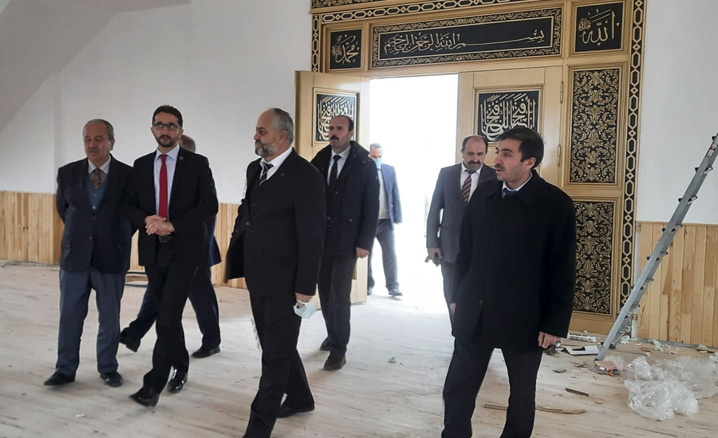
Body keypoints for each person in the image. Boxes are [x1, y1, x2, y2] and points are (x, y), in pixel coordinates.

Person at [442, 127, 576, 438]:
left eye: (506, 154)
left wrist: (554, 323)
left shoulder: (555, 204)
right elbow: (465, 252)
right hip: (476, 309)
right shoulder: (484, 194)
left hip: (525, 315)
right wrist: (456, 295)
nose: (496, 160)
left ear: (529, 162)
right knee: (458, 386)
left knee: (521, 396)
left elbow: (562, 268)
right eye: (497, 151)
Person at [225, 108, 325, 438]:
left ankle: (258, 429)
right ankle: (300, 397)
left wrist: (305, 287)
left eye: (262, 131)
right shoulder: (255, 169)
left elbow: (312, 236)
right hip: (258, 276)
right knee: (274, 345)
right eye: (257, 130)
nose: (256, 136)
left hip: (287, 282)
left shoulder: (306, 176)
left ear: (282, 136)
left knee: (275, 357)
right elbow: (248, 210)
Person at [122, 105, 218, 407]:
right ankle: (181, 366)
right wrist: (145, 219)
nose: (165, 131)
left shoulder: (197, 164)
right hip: (153, 251)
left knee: (167, 317)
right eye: (160, 125)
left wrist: (174, 225)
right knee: (168, 316)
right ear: (153, 129)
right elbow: (127, 205)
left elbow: (210, 205)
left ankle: (153, 385)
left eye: (172, 126)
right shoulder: (140, 165)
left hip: (185, 251)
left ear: (180, 130)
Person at [44, 119, 132, 388]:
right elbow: (64, 210)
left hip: (111, 258)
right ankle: (64, 369)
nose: (92, 144)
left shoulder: (128, 175)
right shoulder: (67, 173)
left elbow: (134, 217)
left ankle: (108, 368)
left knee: (109, 319)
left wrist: (115, 239)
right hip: (75, 258)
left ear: (111, 143)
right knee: (69, 317)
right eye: (87, 139)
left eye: (99, 139)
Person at [310, 115, 379, 371]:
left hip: (348, 241)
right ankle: (333, 332)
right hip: (322, 239)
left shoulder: (364, 163)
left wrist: (364, 242)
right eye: (331, 128)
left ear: (350, 133)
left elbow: (371, 206)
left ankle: (339, 349)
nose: (333, 132)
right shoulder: (320, 159)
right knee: (325, 292)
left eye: (339, 128)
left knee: (339, 295)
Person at [426, 135, 496, 324]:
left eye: (480, 154)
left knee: (478, 295)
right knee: (451, 294)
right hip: (450, 248)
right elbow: (434, 210)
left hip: (482, 249)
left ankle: (472, 333)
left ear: (486, 154)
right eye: (470, 154)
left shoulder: (495, 177)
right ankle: (458, 332)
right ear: (462, 153)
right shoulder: (446, 174)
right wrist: (432, 244)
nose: (475, 159)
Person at [367, 143, 402, 297]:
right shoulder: (364, 171)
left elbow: (395, 193)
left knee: (390, 254)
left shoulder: (389, 170)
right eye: (374, 157)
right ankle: (367, 285)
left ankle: (393, 286)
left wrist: (398, 216)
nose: (377, 159)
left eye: (379, 156)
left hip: (386, 221)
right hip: (368, 222)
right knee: (367, 255)